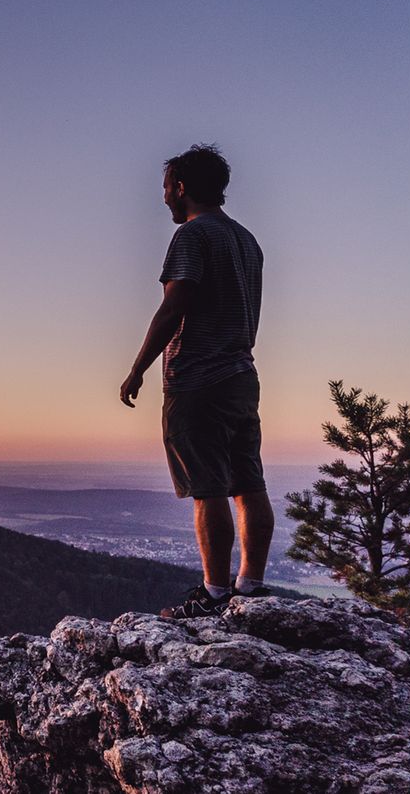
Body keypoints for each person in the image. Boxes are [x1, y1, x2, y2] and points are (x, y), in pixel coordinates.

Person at [119, 144, 275, 618]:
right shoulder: (247, 240)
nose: (164, 197)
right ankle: (250, 586)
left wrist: (138, 368)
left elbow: (174, 306)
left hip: (198, 380)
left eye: (166, 187)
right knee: (249, 482)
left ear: (182, 187)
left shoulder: (192, 237)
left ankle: (213, 595)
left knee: (207, 486)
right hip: (241, 376)